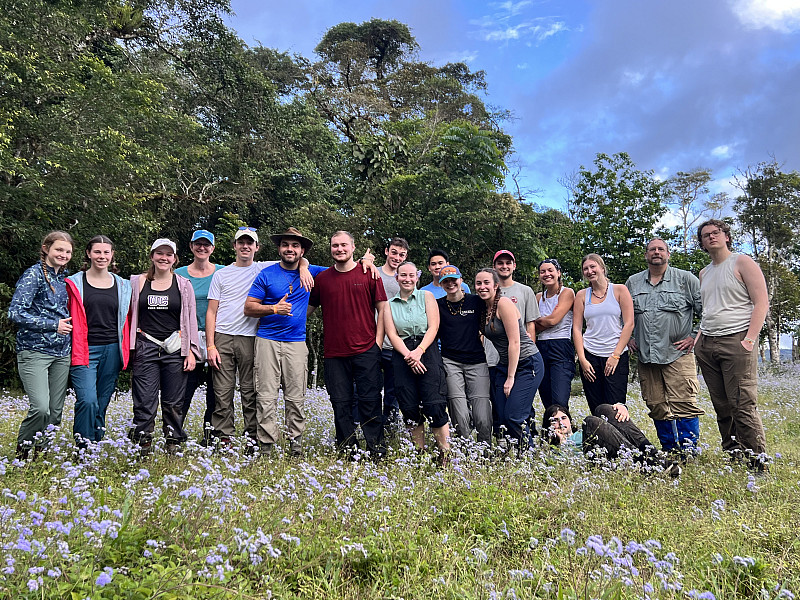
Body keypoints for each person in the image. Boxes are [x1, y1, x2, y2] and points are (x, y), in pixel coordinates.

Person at [207, 227, 311, 452]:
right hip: (247, 338)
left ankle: (277, 443)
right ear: (234, 245)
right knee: (242, 393)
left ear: (257, 247)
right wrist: (210, 344)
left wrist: (305, 266)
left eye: (250, 243)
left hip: (272, 339)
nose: (289, 249)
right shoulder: (243, 273)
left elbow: (311, 262)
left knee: (269, 394)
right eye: (285, 245)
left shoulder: (269, 267)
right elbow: (233, 309)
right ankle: (240, 442)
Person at [694, 219, 769, 470]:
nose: (711, 237)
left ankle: (757, 463)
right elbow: (709, 309)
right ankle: (734, 457)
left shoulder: (742, 262)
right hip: (707, 342)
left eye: (716, 233)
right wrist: (698, 339)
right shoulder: (704, 272)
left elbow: (761, 302)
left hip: (737, 339)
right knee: (722, 406)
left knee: (742, 404)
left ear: (726, 236)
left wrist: (749, 340)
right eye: (706, 235)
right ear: (702, 243)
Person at [244, 228, 326, 456]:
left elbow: (343, 270)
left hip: (296, 343)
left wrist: (367, 260)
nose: (290, 249)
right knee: (266, 395)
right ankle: (266, 447)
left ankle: (295, 447)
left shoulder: (314, 272)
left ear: (302, 251)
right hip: (267, 340)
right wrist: (273, 308)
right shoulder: (266, 275)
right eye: (286, 245)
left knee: (296, 396)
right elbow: (248, 308)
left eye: (295, 246)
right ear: (279, 248)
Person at [308, 231, 388, 458]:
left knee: (370, 401)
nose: (339, 249)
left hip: (366, 349)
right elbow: (307, 311)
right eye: (335, 246)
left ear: (354, 248)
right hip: (334, 353)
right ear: (330, 249)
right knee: (340, 403)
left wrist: (378, 343)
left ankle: (376, 450)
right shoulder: (322, 279)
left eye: (344, 245)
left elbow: (382, 309)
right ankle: (347, 450)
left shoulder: (369, 274)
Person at [625, 238, 704, 455]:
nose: (656, 252)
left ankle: (689, 451)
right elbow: (624, 314)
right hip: (646, 355)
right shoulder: (633, 282)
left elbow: (706, 311)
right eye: (652, 249)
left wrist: (694, 337)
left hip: (678, 353)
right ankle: (669, 448)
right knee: (656, 403)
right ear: (646, 255)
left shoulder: (686, 279)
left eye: (661, 249)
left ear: (668, 254)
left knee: (684, 402)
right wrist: (628, 337)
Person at [129, 238, 200, 453]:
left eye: (168, 254)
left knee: (174, 401)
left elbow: (191, 319)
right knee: (144, 400)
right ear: (152, 256)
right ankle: (143, 445)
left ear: (175, 259)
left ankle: (173, 444)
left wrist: (191, 352)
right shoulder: (137, 282)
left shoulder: (183, 285)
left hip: (175, 347)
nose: (164, 257)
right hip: (145, 345)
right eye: (159, 253)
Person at [9, 231, 75, 459]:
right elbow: (15, 313)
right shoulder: (33, 275)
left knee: (55, 412)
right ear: (46, 249)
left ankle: (41, 451)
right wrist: (52, 324)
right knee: (40, 408)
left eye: (67, 251)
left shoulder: (65, 279)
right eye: (58, 249)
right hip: (34, 351)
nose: (63, 255)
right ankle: (23, 451)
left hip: (61, 353)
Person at [66, 235, 132, 448]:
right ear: (88, 254)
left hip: (113, 349)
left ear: (112, 255)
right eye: (97, 252)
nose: (101, 256)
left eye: (106, 252)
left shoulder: (123, 285)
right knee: (87, 400)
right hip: (84, 348)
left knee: (102, 402)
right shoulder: (74, 283)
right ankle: (83, 448)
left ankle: (95, 443)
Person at [383, 262, 450, 455]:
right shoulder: (389, 305)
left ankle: (445, 454)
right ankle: (418, 454)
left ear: (417, 277)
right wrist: (409, 355)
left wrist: (419, 351)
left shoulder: (427, 297)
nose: (407, 279)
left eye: (411, 275)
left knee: (434, 402)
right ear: (397, 278)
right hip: (402, 354)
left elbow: (433, 327)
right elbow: (392, 334)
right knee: (409, 405)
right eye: (403, 275)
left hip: (426, 350)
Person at [476, 268, 544, 451]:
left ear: (496, 286)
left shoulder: (504, 304)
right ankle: (515, 452)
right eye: (478, 283)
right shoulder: (483, 309)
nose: (482, 287)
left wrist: (510, 377)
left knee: (515, 415)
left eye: (486, 283)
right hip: (504, 364)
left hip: (527, 362)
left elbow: (515, 342)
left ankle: (528, 455)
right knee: (503, 415)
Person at [174, 229, 223, 441]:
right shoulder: (179, 274)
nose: (202, 248)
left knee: (216, 392)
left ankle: (210, 437)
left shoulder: (222, 272)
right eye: (198, 244)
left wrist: (303, 264)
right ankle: (174, 434)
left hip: (216, 337)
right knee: (183, 391)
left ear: (213, 248)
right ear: (191, 246)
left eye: (206, 244)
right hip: (188, 339)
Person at [435, 266, 492, 446]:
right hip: (450, 362)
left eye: (453, 280)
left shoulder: (476, 302)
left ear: (460, 280)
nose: (450, 283)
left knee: (482, 415)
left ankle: (485, 450)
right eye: (446, 281)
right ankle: (464, 450)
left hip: (477, 361)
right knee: (460, 414)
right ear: (441, 284)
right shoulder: (438, 305)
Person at [573, 254, 634, 418]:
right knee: (597, 407)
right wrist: (582, 359)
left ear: (602, 268)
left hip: (615, 355)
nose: (589, 271)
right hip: (590, 355)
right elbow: (577, 329)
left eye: (593, 266)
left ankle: (620, 442)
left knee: (616, 407)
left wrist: (615, 355)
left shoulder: (620, 290)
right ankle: (601, 441)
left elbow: (629, 324)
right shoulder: (581, 295)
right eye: (585, 268)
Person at [541, 404, 660, 470]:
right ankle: (646, 462)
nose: (561, 423)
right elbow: (564, 466)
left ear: (570, 420)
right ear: (549, 426)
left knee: (603, 409)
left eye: (563, 418)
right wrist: (563, 442)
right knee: (590, 421)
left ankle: (653, 454)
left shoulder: (582, 431)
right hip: (596, 458)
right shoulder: (553, 449)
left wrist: (620, 407)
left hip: (613, 445)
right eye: (554, 421)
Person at [375, 237, 410, 428]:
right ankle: (370, 427)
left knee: (393, 391)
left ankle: (390, 430)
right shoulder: (374, 272)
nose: (397, 257)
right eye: (394, 252)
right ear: (387, 251)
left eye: (401, 255)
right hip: (372, 341)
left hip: (396, 343)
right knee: (370, 389)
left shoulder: (406, 278)